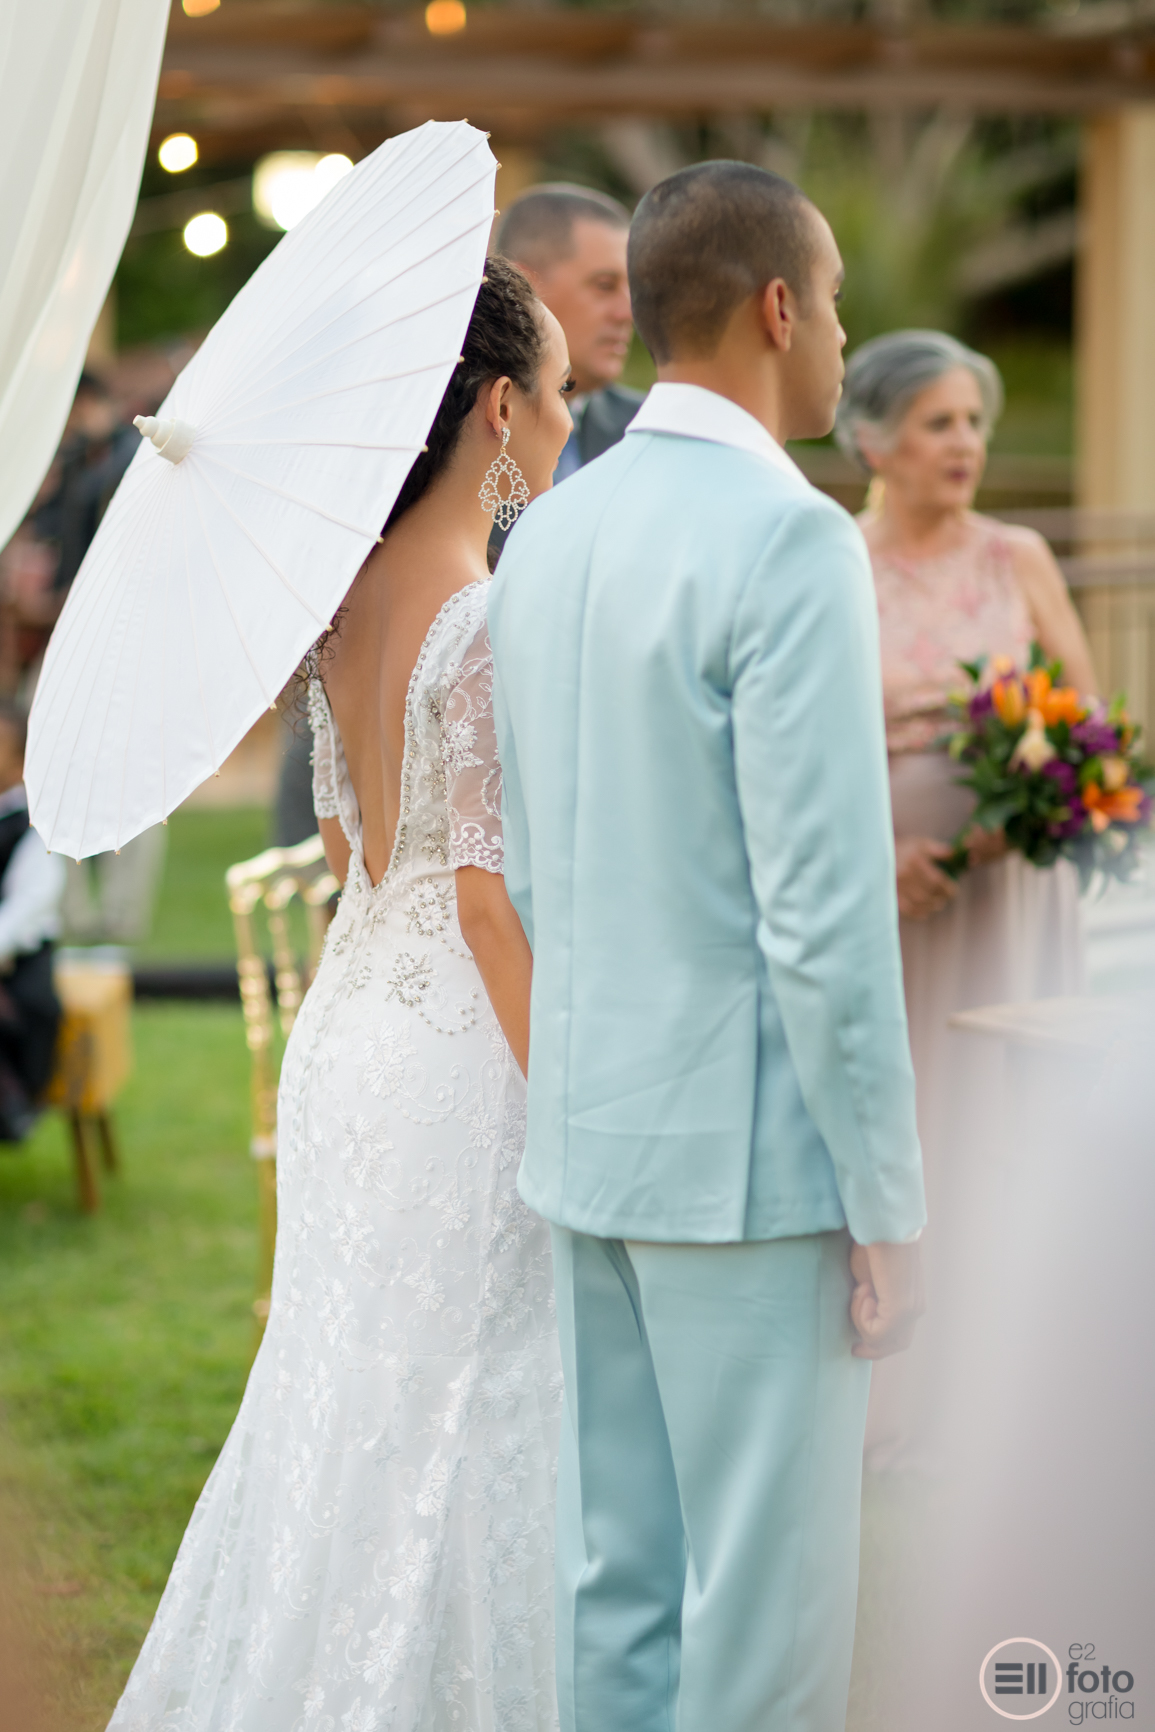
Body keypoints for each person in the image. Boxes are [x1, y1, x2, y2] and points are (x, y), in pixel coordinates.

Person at [107, 260, 574, 1732]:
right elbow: (489, 904)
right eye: (560, 389)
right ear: (498, 410)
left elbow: (344, 845)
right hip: (465, 1046)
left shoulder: (341, 603)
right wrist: (574, 1111)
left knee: (346, 1388)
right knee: (475, 1392)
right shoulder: (485, 618)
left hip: (352, 1026)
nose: (569, 418)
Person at [489, 162, 927, 1732]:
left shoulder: (548, 531)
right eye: (837, 306)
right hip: (746, 1169)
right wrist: (886, 1203)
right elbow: (822, 913)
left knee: (614, 1582)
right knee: (763, 1614)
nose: (842, 340)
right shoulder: (789, 540)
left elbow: (525, 867)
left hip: (586, 1140)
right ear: (777, 308)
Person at [833, 329, 1097, 1469]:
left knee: (1017, 1124)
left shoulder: (1017, 557)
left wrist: (1017, 821)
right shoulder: (837, 561)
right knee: (916, 1121)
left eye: (974, 422)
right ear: (873, 441)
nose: (965, 444)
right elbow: (806, 740)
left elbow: (1090, 734)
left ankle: (1021, 1399)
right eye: (938, 422)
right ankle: (903, 1395)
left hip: (1013, 892)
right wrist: (877, 851)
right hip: (887, 895)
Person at [0, 702, 64, 1141]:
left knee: (30, 1011)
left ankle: (13, 1101)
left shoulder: (33, 824)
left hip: (18, 959)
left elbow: (28, 906)